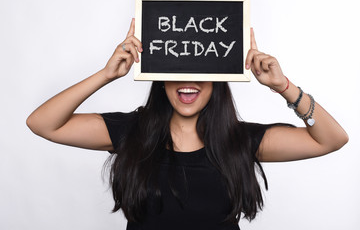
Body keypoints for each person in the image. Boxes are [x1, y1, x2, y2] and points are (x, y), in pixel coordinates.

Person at [26, 18, 348, 230]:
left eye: (201, 69)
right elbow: (43, 123)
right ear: (160, 75)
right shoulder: (130, 132)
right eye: (177, 68)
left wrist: (284, 87)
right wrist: (106, 75)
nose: (188, 82)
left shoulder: (241, 139)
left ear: (219, 77)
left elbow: (331, 140)